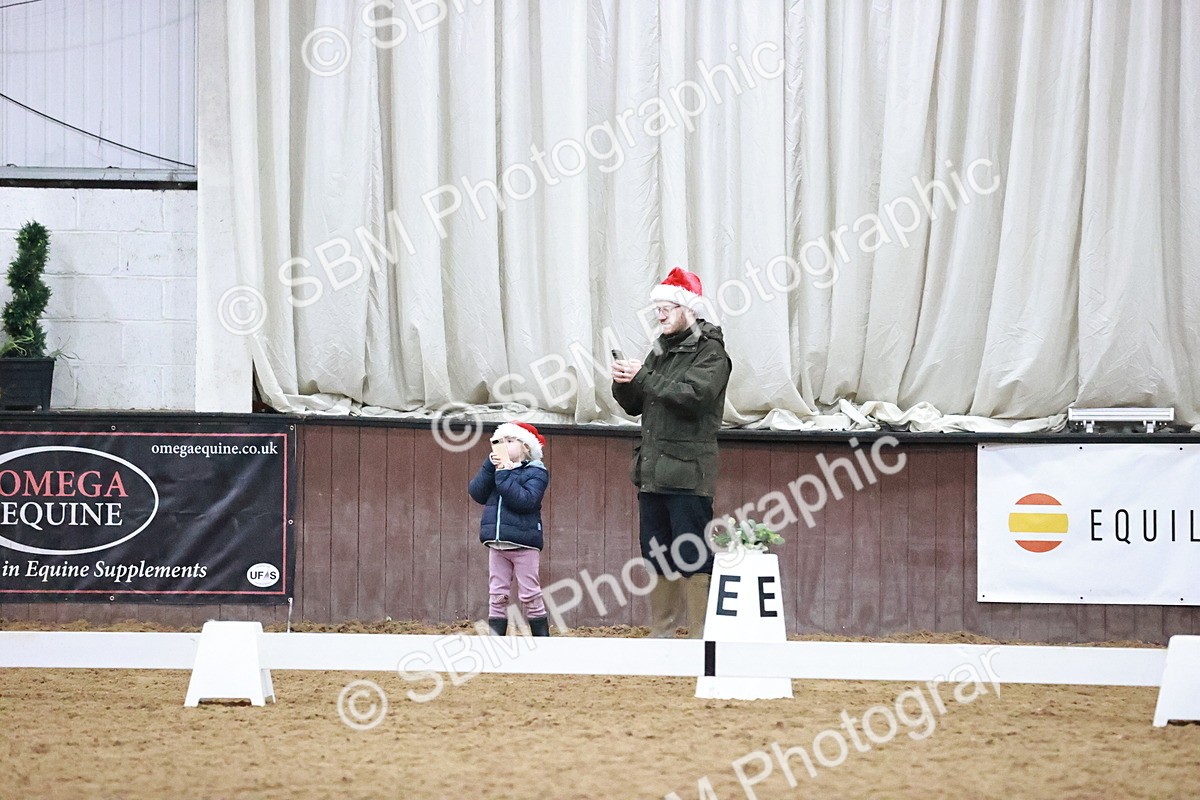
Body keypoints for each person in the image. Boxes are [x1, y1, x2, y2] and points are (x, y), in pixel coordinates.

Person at [611, 267, 732, 638]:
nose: (659, 314)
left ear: (688, 309)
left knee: (692, 555)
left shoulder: (712, 354)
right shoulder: (660, 351)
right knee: (656, 553)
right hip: (653, 473)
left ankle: (700, 637)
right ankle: (662, 634)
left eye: (666, 307)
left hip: (688, 475)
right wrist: (624, 382)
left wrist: (643, 377)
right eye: (657, 309)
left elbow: (692, 398)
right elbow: (635, 405)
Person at [468, 421, 551, 637]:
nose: (503, 445)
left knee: (530, 593)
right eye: (500, 441)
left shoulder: (537, 473)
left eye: (510, 441)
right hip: (497, 543)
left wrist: (504, 472)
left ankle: (542, 640)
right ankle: (496, 638)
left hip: (524, 544)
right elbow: (477, 493)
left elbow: (525, 501)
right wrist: (489, 466)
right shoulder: (496, 470)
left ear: (526, 447)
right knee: (497, 593)